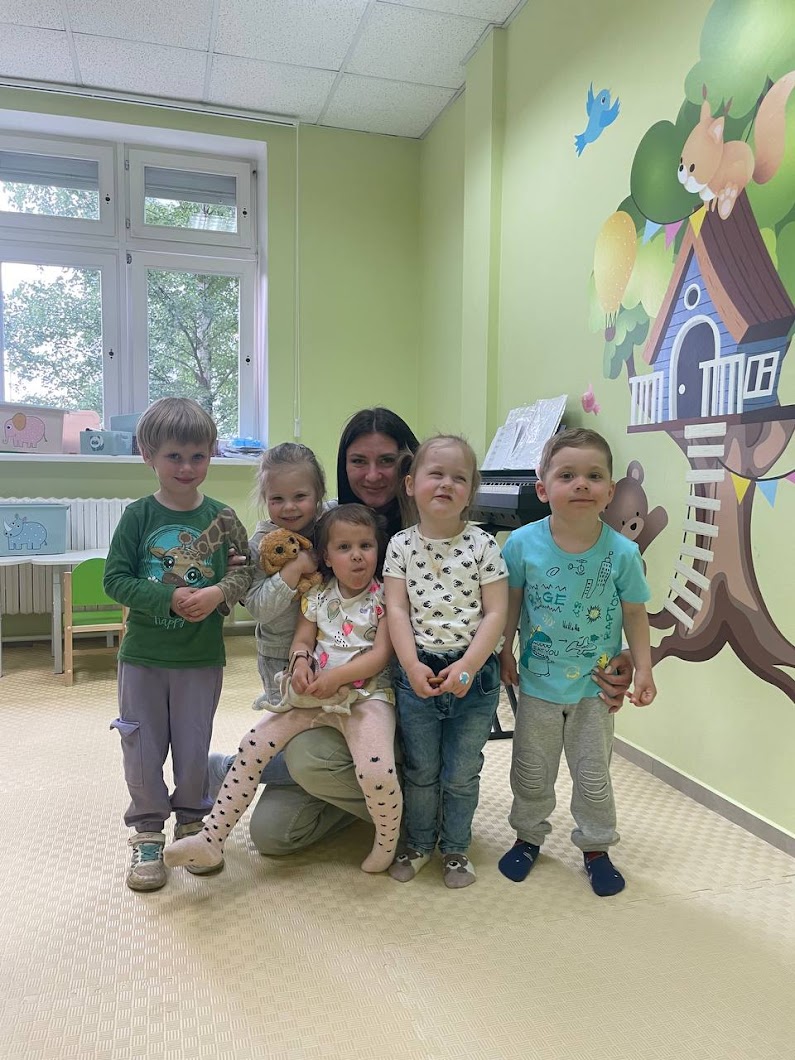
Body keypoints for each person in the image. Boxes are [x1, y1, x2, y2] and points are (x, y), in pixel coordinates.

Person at [163, 504, 400, 875]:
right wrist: (300, 663)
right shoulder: (317, 594)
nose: (357, 556)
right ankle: (210, 840)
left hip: (366, 699)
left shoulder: (384, 596)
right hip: (314, 697)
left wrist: (335, 678)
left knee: (376, 770)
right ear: (326, 557)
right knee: (253, 745)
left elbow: (380, 656)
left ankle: (388, 844)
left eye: (365, 546)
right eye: (344, 547)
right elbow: (302, 640)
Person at [497, 427, 656, 897]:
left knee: (593, 774)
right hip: (538, 686)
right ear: (543, 488)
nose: (581, 484)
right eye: (567, 475)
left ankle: (596, 846)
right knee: (531, 768)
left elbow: (635, 614)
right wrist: (504, 650)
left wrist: (644, 669)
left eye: (593, 476)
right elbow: (511, 603)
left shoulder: (623, 553)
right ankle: (528, 837)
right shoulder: (521, 544)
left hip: (595, 688)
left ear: (610, 491)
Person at [104, 397, 254, 893]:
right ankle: (148, 832)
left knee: (194, 746)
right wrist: (167, 597)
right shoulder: (138, 516)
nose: (187, 468)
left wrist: (217, 593)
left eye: (198, 456)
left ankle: (193, 824)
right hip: (144, 658)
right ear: (148, 455)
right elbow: (115, 580)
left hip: (200, 658)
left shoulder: (224, 518)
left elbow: (247, 571)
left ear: (211, 454)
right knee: (142, 748)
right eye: (174, 456)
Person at [383, 435, 508, 889]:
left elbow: (496, 612)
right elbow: (396, 609)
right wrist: (411, 665)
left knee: (461, 772)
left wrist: (468, 666)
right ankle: (419, 843)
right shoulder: (400, 545)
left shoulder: (483, 545)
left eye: (459, 478)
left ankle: (455, 848)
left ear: (471, 491)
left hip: (474, 676)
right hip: (418, 670)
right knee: (421, 771)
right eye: (435, 474)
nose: (446, 484)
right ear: (411, 484)